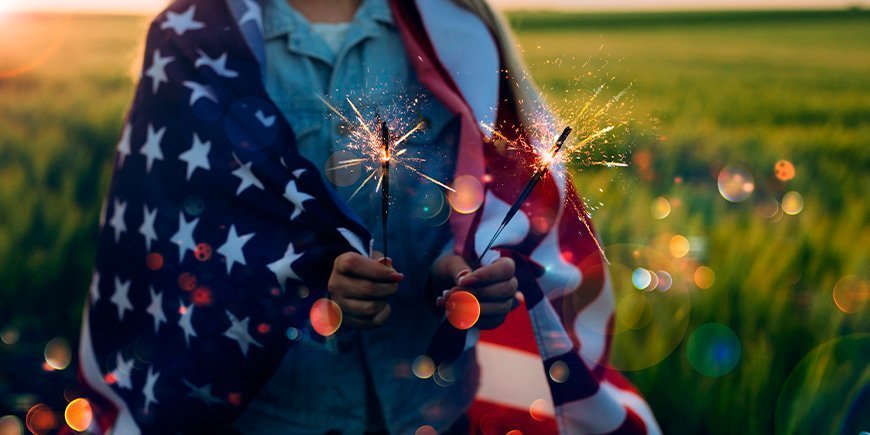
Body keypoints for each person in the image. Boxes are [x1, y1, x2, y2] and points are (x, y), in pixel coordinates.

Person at [77, 0, 660, 433]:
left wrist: (458, 272)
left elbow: (474, 198)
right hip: (272, 413)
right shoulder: (195, 41)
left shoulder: (451, 30)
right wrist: (305, 279)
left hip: (430, 409)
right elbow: (170, 240)